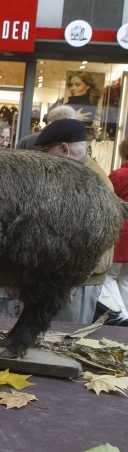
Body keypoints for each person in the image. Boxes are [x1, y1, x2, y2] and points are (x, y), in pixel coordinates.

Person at [36, 118, 113, 325]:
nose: (45, 157)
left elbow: (96, 239)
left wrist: (73, 281)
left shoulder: (94, 181)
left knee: (64, 335)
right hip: (70, 276)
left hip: (79, 280)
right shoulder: (78, 175)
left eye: (46, 151)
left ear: (64, 149)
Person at [105, 138, 128, 323]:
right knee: (126, 280)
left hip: (121, 235)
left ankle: (121, 316)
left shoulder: (118, 175)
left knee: (109, 277)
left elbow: (108, 204)